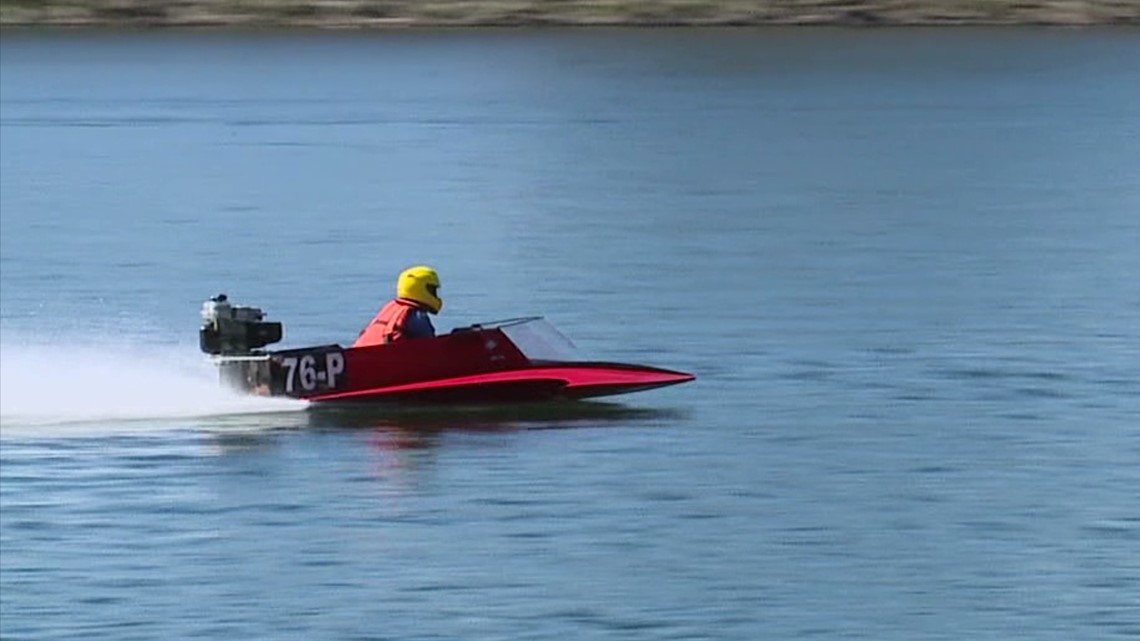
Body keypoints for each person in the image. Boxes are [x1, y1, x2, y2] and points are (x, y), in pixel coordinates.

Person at [353, 265, 443, 347]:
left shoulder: (391, 308)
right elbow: (431, 346)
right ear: (421, 289)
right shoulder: (417, 316)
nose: (435, 295)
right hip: (388, 360)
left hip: (361, 354)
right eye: (433, 290)